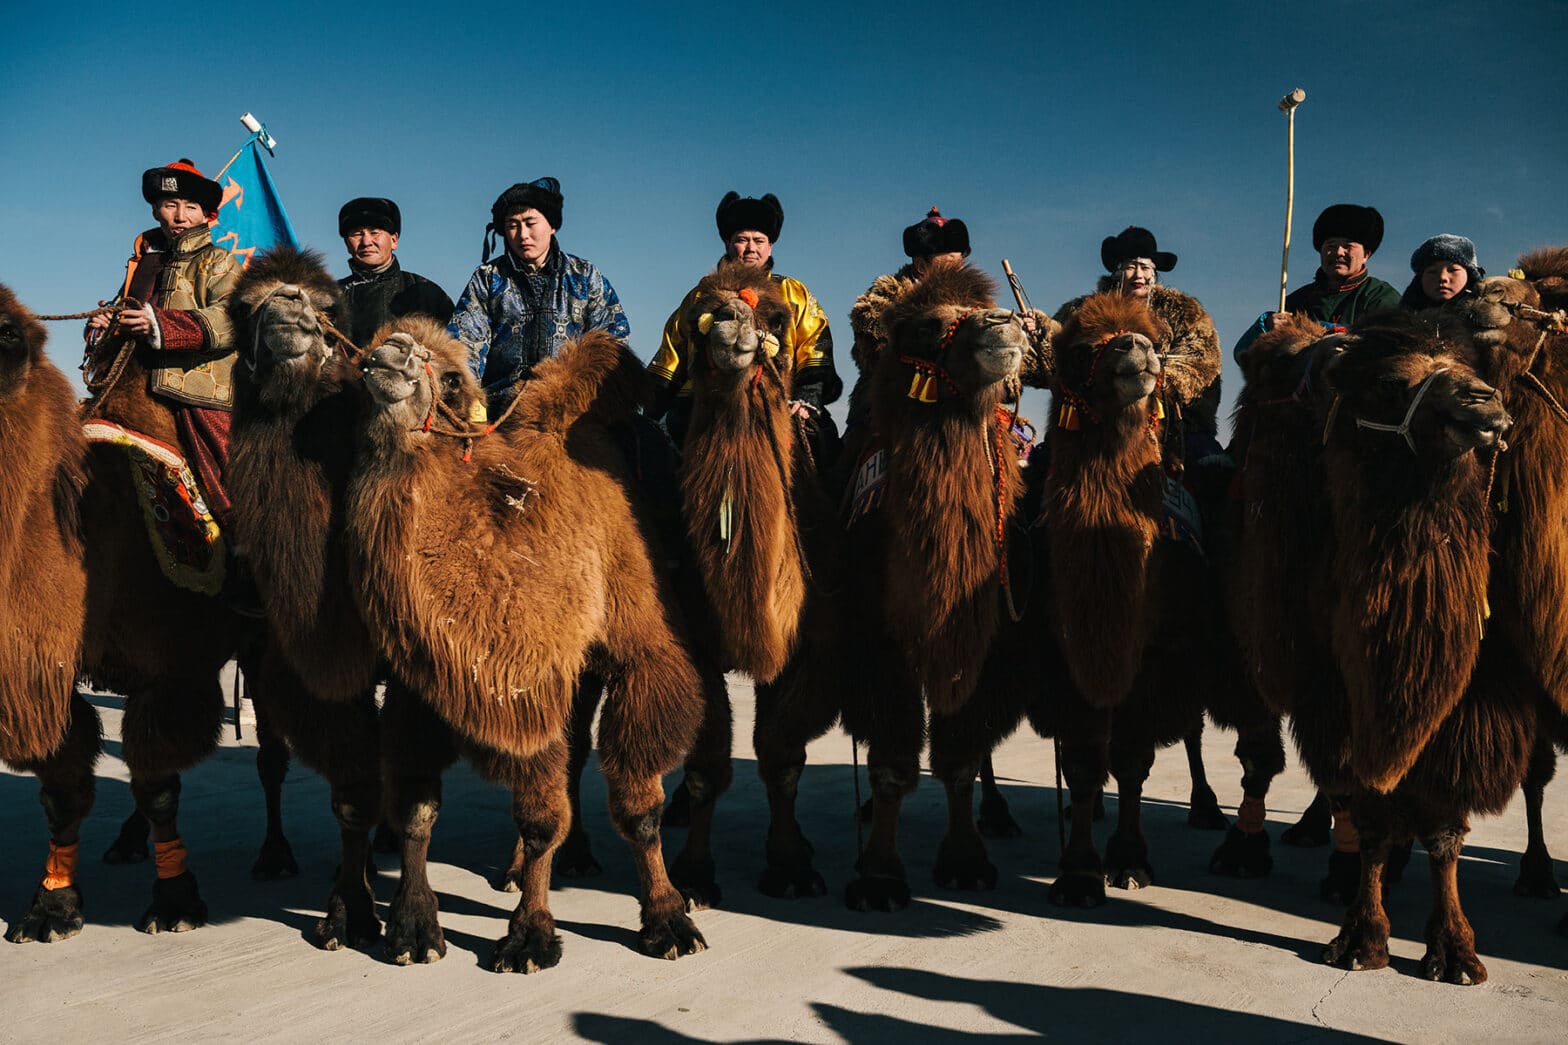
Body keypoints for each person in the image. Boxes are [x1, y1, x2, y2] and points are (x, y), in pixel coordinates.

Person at [87, 159, 242, 527]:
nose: (180, 216)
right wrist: (104, 324)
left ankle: (247, 557)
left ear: (208, 216)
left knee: (228, 488)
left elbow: (233, 318)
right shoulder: (142, 264)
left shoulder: (219, 262)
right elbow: (124, 310)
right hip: (128, 385)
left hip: (196, 394)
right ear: (156, 209)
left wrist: (161, 325)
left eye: (191, 207)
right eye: (171, 205)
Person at [649, 191, 843, 454]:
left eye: (759, 240)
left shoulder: (793, 292)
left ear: (770, 245)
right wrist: (653, 407)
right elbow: (672, 352)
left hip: (776, 401)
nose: (751, 248)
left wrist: (809, 395)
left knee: (826, 449)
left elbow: (815, 342)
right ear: (727, 242)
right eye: (742, 239)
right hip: (701, 403)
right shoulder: (700, 296)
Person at [449, 177, 629, 407]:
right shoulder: (487, 278)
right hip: (501, 406)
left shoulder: (584, 276)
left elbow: (612, 339)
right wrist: (469, 398)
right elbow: (464, 345)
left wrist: (585, 389)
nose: (522, 235)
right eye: (513, 225)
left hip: (571, 404)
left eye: (530, 223)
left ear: (551, 225)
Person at [1055, 226, 1222, 459]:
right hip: (1096, 421)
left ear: (1155, 272)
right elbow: (1055, 353)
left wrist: (1153, 380)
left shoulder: (1184, 314)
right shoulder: (1083, 311)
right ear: (1117, 271)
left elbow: (1201, 361)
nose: (1139, 275)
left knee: (1209, 469)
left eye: (1145, 267)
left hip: (1171, 424)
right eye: (1130, 267)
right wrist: (1039, 330)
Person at [1234, 203, 1401, 360]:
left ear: (1366, 255)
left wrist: (1309, 330)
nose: (1338, 252)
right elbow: (1242, 354)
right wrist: (1267, 328)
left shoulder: (1382, 297)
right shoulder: (1296, 301)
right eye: (1331, 245)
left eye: (1348, 246)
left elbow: (1389, 347)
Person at [336, 196, 453, 347]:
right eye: (357, 234)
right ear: (346, 244)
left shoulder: (427, 294)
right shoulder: (331, 296)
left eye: (374, 232)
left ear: (394, 240)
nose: (366, 242)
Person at [1400, 234, 1484, 310]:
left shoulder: (1490, 322)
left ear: (1470, 275)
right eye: (1432, 272)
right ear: (1420, 279)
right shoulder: (1397, 324)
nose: (1442, 277)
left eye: (1453, 270)